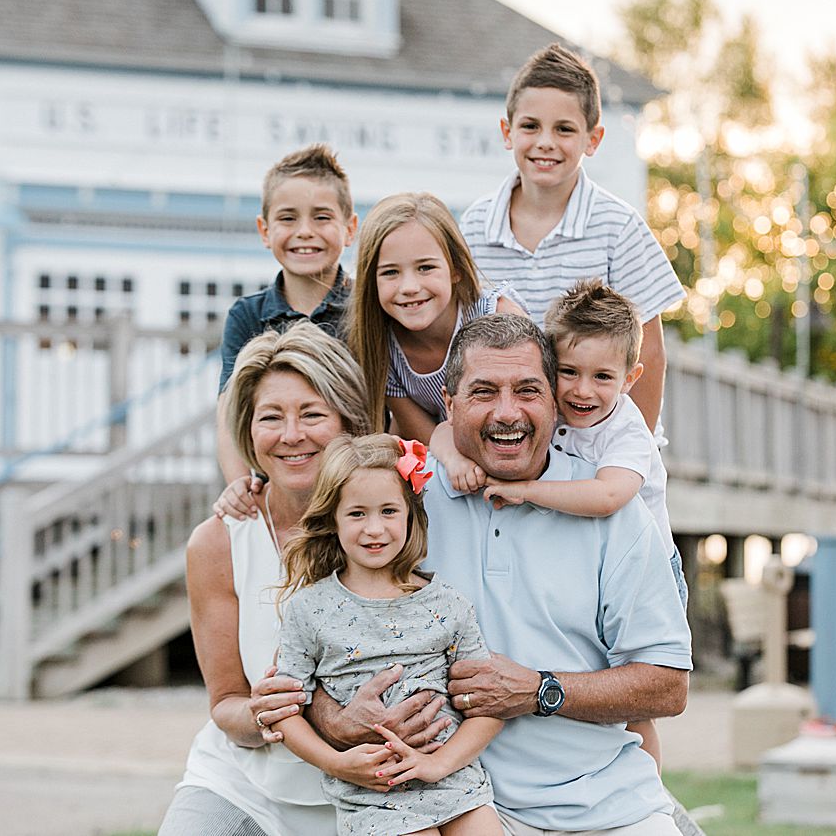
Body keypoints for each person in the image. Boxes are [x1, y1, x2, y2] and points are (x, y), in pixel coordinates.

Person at [305, 314, 693, 834]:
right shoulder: (398, 507)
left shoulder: (613, 512)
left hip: (608, 808)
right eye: (484, 391)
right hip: (453, 807)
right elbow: (312, 652)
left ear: (554, 402)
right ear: (450, 403)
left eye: (528, 390)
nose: (507, 413)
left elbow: (668, 686)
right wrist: (338, 720)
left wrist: (539, 689)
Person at [161, 323, 443, 836]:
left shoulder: (400, 526)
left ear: (348, 423)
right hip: (248, 782)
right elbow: (227, 707)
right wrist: (275, 715)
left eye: (312, 414)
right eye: (271, 417)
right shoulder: (219, 543)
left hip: (379, 790)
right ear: (249, 430)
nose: (292, 435)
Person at [435, 280, 689, 768]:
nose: (581, 390)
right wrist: (448, 460)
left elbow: (609, 496)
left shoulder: (625, 433)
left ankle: (648, 785)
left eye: (601, 377)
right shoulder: (561, 412)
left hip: (650, 556)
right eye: (568, 374)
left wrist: (527, 493)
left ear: (629, 378)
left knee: (636, 712)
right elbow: (444, 432)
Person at [273, 433, 502, 834]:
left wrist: (438, 764)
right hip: (374, 795)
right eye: (357, 514)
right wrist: (335, 762)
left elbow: (489, 706)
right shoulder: (309, 610)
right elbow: (287, 709)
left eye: (389, 511)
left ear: (411, 515)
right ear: (333, 519)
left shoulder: (448, 604)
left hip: (457, 785)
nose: (374, 529)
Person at [459, 43, 686, 434]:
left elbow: (649, 352)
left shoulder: (618, 227)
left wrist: (637, 453)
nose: (545, 141)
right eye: (531, 126)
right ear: (507, 132)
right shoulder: (474, 227)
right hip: (510, 437)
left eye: (564, 129)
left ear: (592, 139)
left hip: (600, 443)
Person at [216, 144, 358, 489]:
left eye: (322, 217)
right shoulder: (246, 316)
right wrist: (239, 484)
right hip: (277, 483)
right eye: (288, 218)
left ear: (350, 228)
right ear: (265, 230)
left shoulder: (365, 306)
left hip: (352, 483)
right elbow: (228, 413)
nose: (305, 231)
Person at [345, 192, 523, 442]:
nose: (409, 286)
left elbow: (533, 402)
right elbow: (426, 437)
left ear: (456, 270)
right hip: (443, 455)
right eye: (390, 272)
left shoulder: (496, 315)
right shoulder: (381, 345)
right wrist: (453, 460)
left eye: (425, 268)